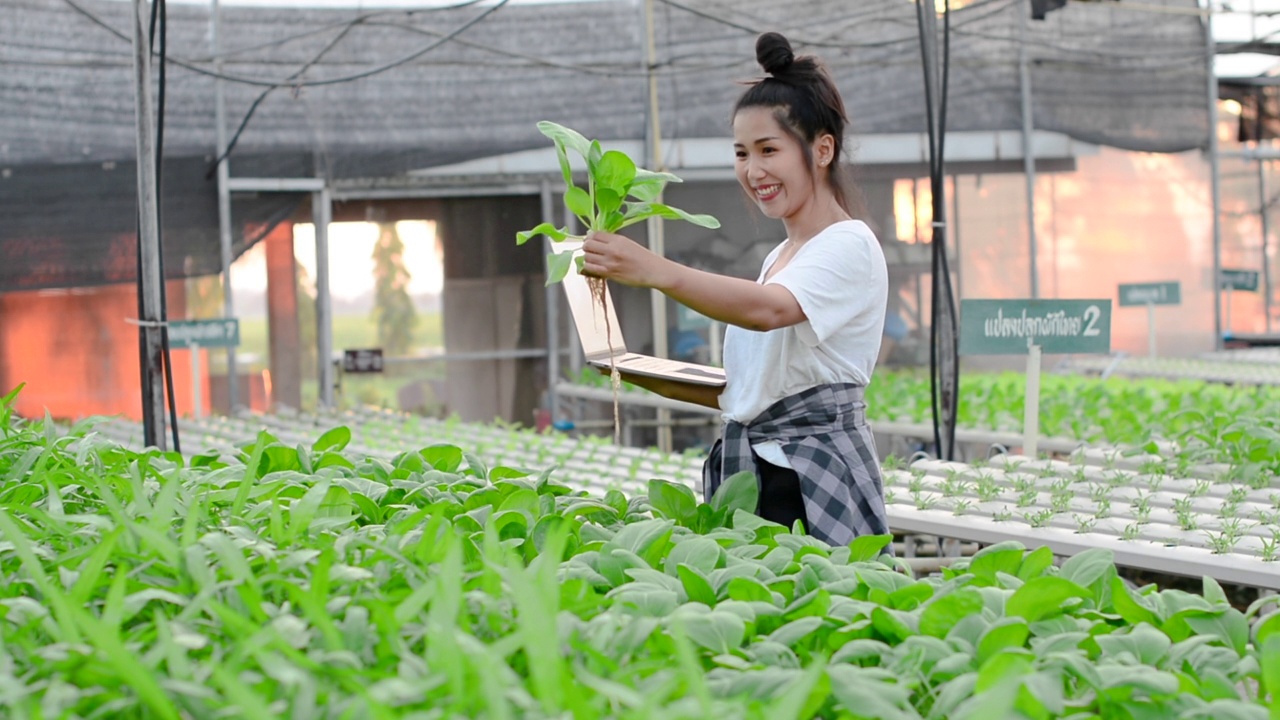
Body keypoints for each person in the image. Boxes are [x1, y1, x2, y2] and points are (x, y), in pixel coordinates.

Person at [579, 31, 889, 546]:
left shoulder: (849, 244)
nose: (753, 170)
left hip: (807, 471)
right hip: (761, 468)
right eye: (742, 153)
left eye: (769, 150)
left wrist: (655, 270)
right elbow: (752, 390)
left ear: (822, 149)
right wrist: (630, 367)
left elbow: (768, 312)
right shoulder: (780, 256)